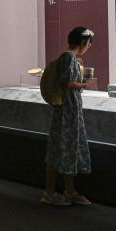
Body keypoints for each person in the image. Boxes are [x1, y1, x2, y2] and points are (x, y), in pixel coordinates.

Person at [42, 26, 94, 206]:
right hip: (67, 110)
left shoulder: (68, 57)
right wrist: (83, 84)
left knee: (67, 149)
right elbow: (67, 82)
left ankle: (69, 191)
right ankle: (50, 193)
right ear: (83, 41)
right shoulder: (69, 57)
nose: (89, 46)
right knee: (59, 149)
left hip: (68, 110)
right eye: (88, 43)